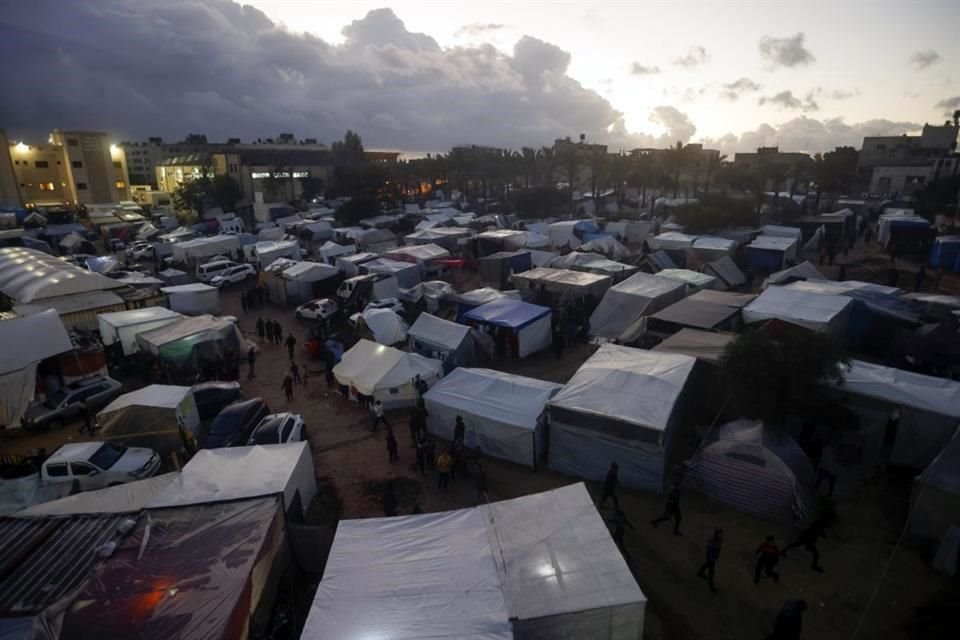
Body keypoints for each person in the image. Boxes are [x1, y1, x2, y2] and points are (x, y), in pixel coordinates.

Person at [696, 529, 723, 593]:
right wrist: (712, 557)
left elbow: (718, 549)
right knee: (711, 571)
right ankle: (711, 586)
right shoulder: (713, 541)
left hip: (713, 557)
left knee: (707, 564)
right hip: (711, 557)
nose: (722, 535)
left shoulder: (719, 539)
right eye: (720, 534)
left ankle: (699, 573)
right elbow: (709, 550)